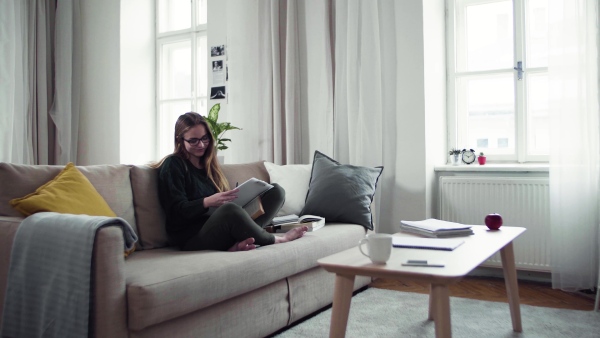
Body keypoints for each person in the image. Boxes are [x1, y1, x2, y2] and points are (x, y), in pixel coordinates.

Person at [153, 112, 307, 252]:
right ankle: (277, 239)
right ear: (180, 140)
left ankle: (242, 240)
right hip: (192, 238)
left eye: (204, 138)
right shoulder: (173, 165)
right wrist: (207, 202)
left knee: (276, 192)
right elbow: (175, 213)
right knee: (230, 211)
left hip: (221, 228)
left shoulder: (209, 165)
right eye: (193, 141)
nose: (200, 145)